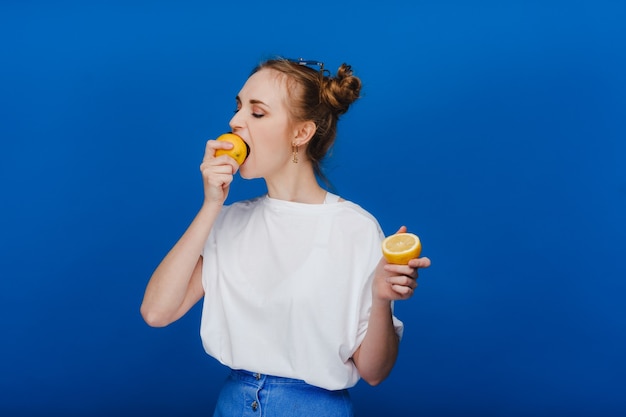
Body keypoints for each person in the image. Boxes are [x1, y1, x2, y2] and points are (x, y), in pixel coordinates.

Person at [140, 56, 431, 417]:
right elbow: (156, 312)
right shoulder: (229, 222)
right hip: (233, 406)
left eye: (257, 112)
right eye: (238, 107)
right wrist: (211, 205)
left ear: (300, 133)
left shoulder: (354, 228)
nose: (234, 121)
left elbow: (374, 372)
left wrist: (382, 298)